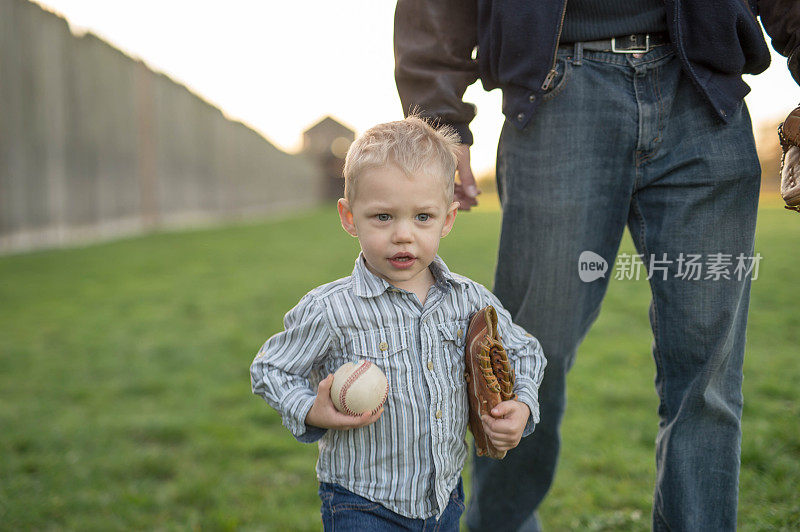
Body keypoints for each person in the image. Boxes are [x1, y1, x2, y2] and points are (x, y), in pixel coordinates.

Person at [394, 1, 800, 530]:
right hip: (558, 97)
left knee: (709, 374)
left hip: (704, 97)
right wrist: (439, 120)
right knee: (521, 356)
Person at [249, 116, 546, 531]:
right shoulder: (332, 309)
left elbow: (525, 349)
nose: (403, 235)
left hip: (444, 499)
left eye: (423, 217)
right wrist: (309, 409)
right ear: (350, 217)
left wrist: (523, 404)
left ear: (448, 219)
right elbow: (270, 368)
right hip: (361, 502)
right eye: (383, 217)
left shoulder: (469, 300)